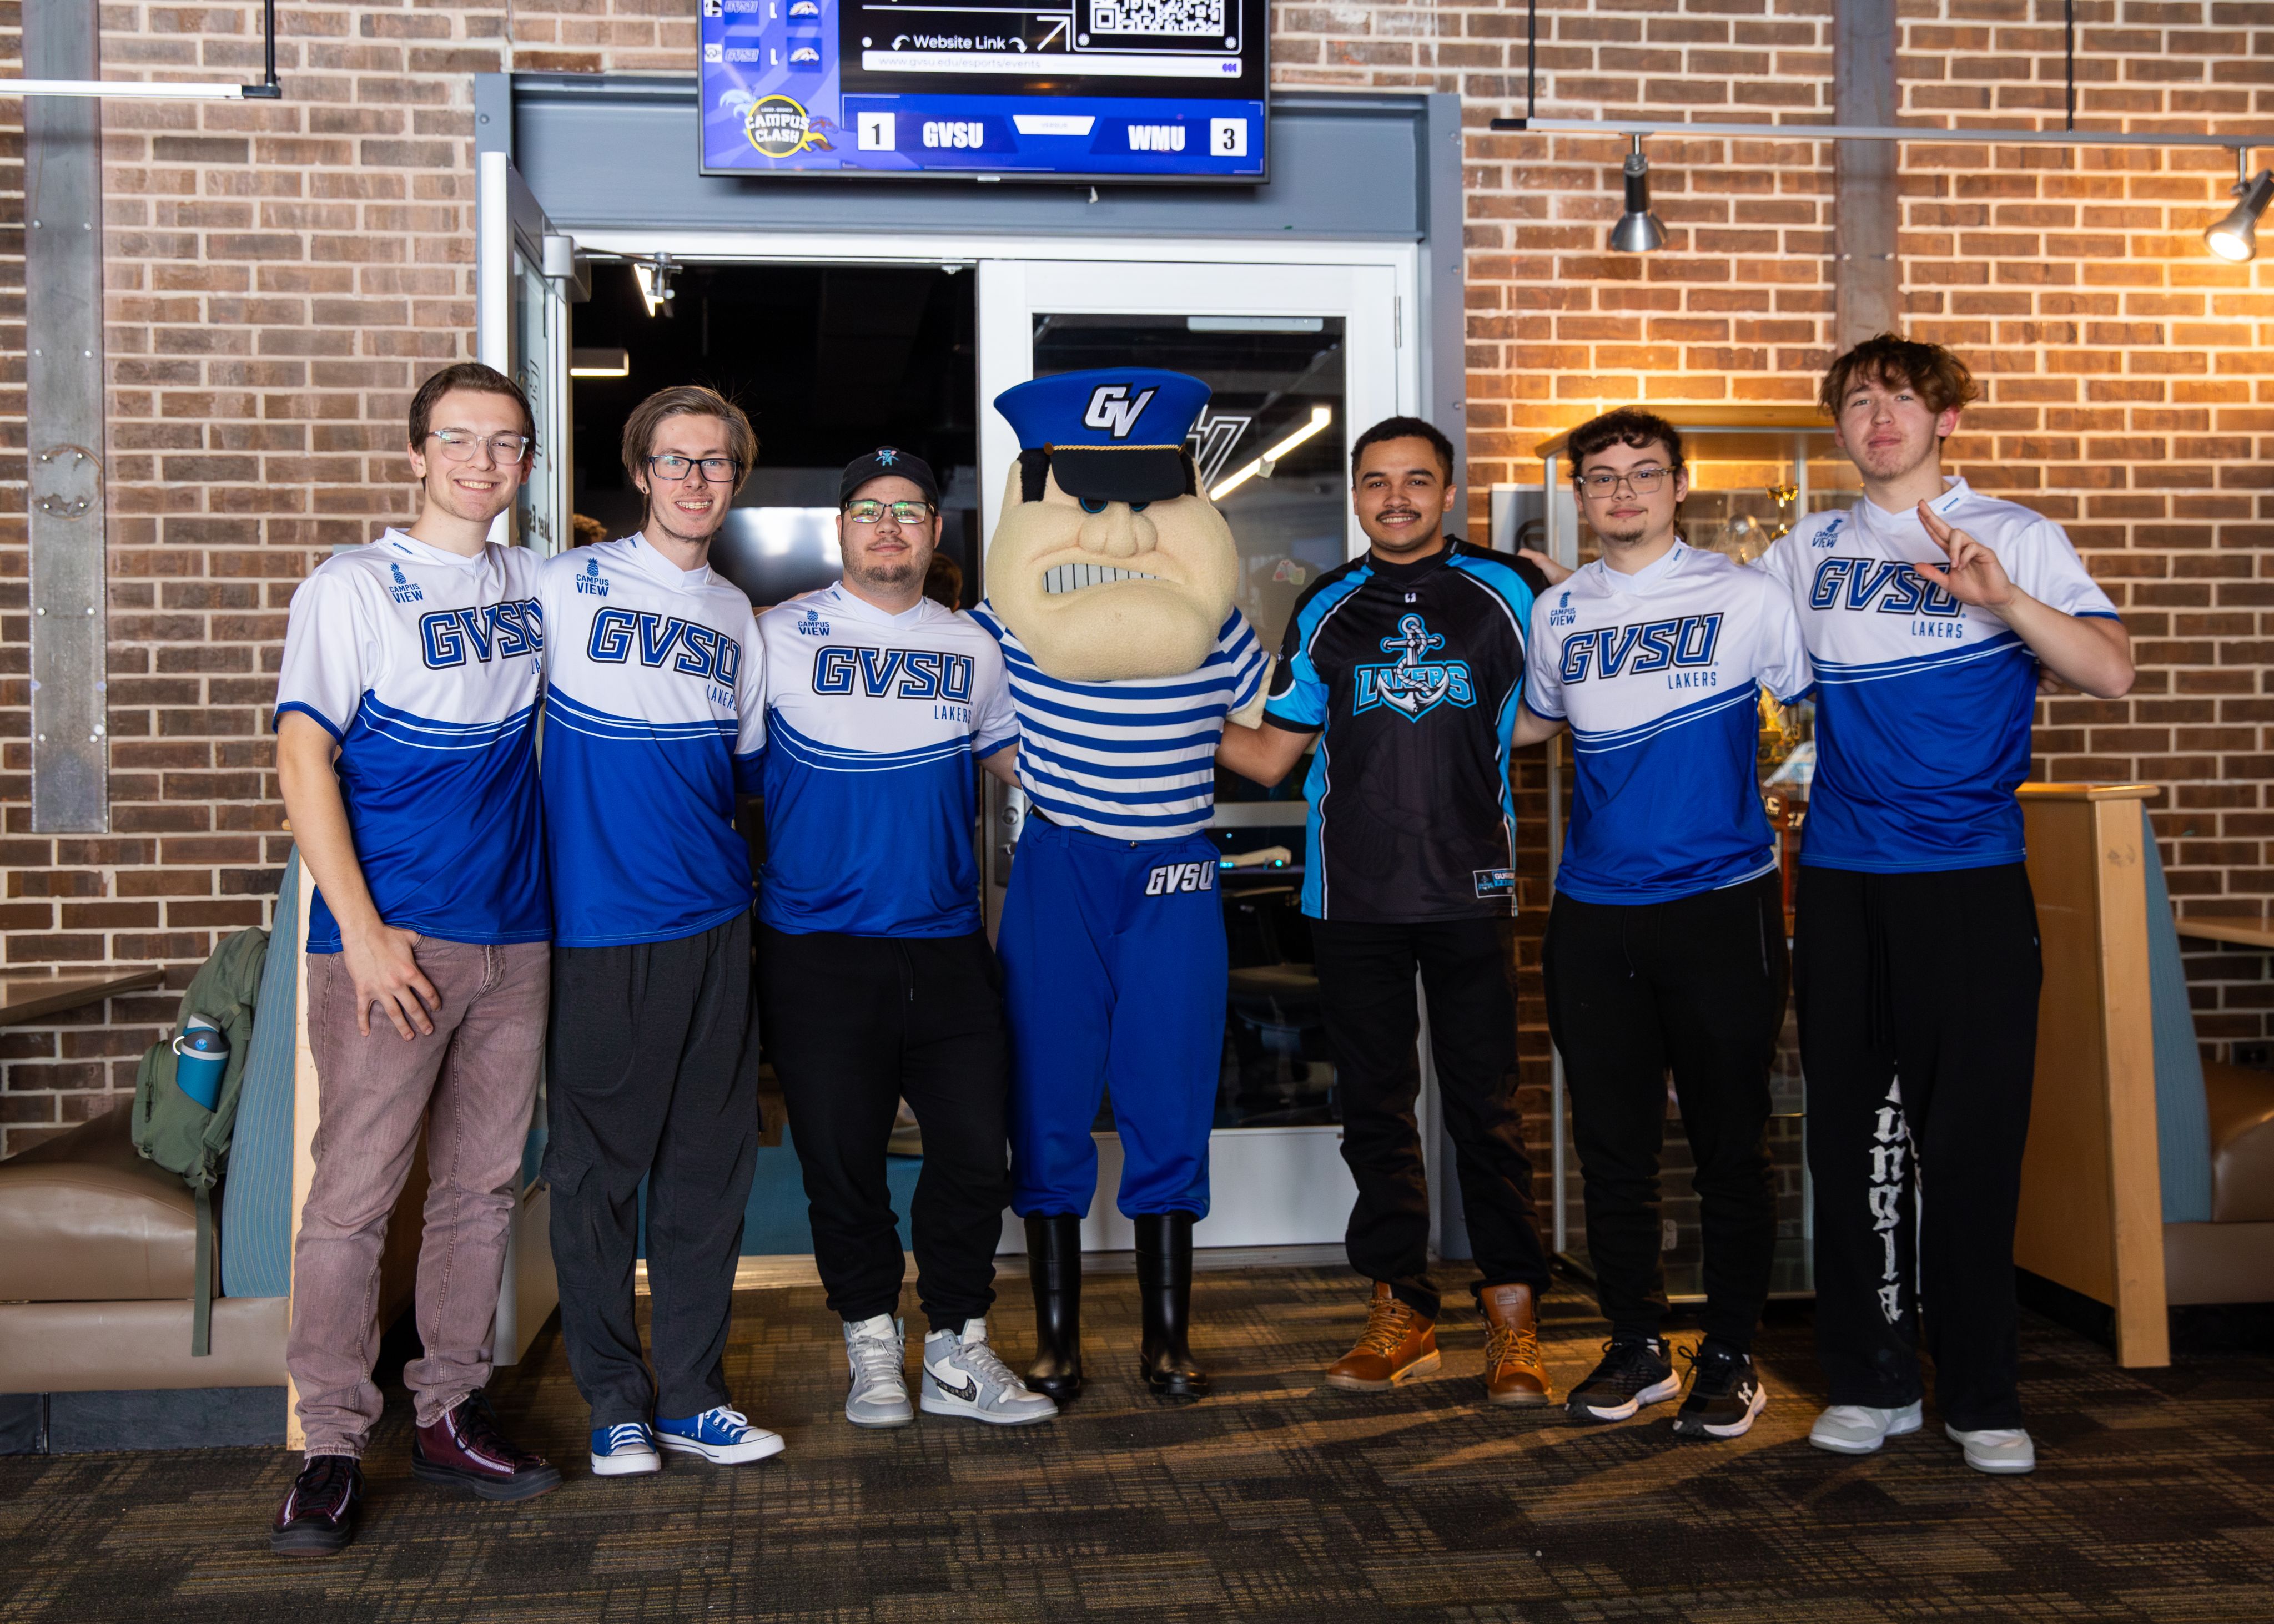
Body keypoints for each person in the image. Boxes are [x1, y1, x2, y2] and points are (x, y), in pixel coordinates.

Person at [1758, 334, 2133, 1475]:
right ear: (1837, 425)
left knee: (1969, 1145)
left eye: (1900, 401)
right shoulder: (1801, 549)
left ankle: (1980, 1393)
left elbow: (2110, 671)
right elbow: (1755, 686)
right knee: (1852, 1136)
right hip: (1839, 882)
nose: (1877, 419)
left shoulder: (2012, 533)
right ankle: (1871, 1379)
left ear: (1945, 421)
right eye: (1858, 401)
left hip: (1969, 883)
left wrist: (2001, 598)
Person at [270, 361, 560, 1555]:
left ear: (526, 465)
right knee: (351, 1200)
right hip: (389, 943)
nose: (483, 461)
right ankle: (326, 1448)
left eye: (507, 444)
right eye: (460, 439)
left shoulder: (534, 582)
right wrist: (364, 925)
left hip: (515, 938)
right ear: (416, 452)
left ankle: (448, 1409)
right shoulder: (353, 585)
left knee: (480, 1191)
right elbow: (301, 759)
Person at [1216, 415, 1556, 1408]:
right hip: (1351, 896)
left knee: (1488, 1109)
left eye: (1416, 480)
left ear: (1447, 491)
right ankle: (1403, 1308)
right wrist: (1163, 703)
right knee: (1373, 1107)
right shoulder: (1327, 606)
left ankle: (1513, 1316)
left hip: (1470, 888)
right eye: (1377, 482)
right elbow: (1274, 755)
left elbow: (1552, 710)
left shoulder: (1508, 592)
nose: (1396, 497)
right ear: (1357, 495)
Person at [1511, 408, 1812, 1439]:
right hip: (1595, 912)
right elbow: (1534, 722)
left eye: (1645, 474)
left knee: (1731, 1139)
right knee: (1613, 1145)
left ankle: (1730, 1353)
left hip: (1721, 903)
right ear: (1582, 496)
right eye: (1602, 478)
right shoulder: (1562, 612)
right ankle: (1635, 1342)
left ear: (1680, 486)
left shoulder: (1744, 596)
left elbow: (1822, 713)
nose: (1624, 493)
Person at [971, 367, 1270, 1401]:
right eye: (1091, 499)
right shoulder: (999, 620)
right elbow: (982, 733)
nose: (1117, 529)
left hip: (1179, 864)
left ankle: (1166, 1335)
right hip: (1064, 860)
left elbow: (1262, 735)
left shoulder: (1218, 624)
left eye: (1142, 500)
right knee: (1048, 1089)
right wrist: (1062, 786)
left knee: (1169, 1083)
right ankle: (1056, 1336)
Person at [754, 447, 1054, 1430]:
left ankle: (958, 1348)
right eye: (868, 510)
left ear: (934, 531)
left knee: (976, 1152)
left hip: (946, 946)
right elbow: (719, 775)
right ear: (841, 529)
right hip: (817, 945)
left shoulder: (974, 646)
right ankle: (872, 1342)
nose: (889, 526)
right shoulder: (773, 637)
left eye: (910, 510)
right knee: (842, 1163)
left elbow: (1024, 765)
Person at [536, 385, 780, 1479]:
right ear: (639, 474)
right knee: (597, 1176)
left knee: (707, 1169)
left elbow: (741, 779)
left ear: (734, 477)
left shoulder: (738, 616)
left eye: (715, 462)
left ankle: (692, 1394)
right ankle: (612, 1401)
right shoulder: (559, 586)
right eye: (674, 460)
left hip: (716, 924)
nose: (695, 479)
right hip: (597, 926)